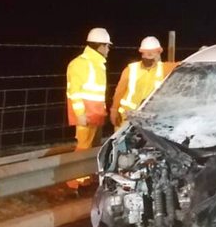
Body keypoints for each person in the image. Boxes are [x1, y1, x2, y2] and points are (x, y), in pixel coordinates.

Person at [66, 27, 111, 188]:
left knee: (92, 149)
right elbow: (74, 92)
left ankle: (86, 179)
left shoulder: (98, 64)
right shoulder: (80, 64)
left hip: (97, 114)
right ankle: (74, 183)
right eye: (107, 46)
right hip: (86, 115)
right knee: (83, 148)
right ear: (99, 46)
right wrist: (80, 114)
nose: (108, 49)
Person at [110, 36, 176, 128]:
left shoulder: (165, 68)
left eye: (151, 55)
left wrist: (200, 52)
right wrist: (114, 110)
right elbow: (119, 92)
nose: (149, 59)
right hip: (128, 118)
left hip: (149, 119)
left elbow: (185, 64)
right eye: (147, 55)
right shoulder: (131, 69)